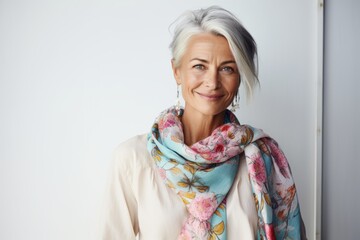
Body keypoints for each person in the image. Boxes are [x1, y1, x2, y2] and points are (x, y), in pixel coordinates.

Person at [101, 5, 307, 240]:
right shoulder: (133, 159)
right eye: (199, 66)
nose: (212, 81)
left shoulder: (263, 157)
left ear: (239, 78)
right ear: (177, 71)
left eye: (227, 68)